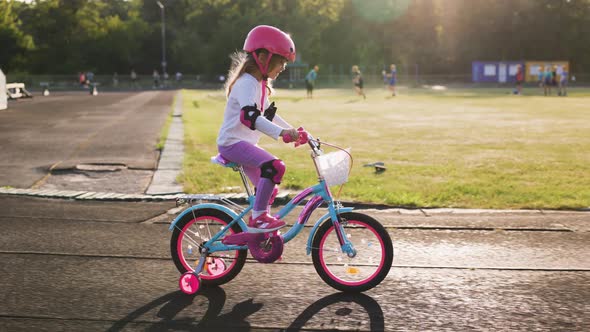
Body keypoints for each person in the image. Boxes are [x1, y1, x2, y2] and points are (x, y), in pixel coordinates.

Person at [217, 25, 306, 233]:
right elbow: (251, 117)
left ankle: (261, 238)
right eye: (282, 61)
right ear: (264, 57)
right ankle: (259, 220)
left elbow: (268, 114)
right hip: (232, 144)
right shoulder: (247, 83)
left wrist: (292, 130)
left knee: (270, 190)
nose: (284, 67)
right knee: (275, 167)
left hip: (243, 144)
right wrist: (281, 133)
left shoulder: (258, 84)